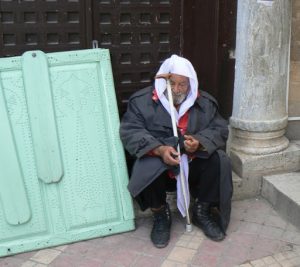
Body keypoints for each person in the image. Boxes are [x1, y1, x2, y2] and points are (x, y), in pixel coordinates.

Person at [120, 55, 232, 248]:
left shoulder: (205, 102)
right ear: (164, 81)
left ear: (191, 83)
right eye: (172, 83)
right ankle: (160, 214)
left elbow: (219, 129)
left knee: (219, 159)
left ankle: (202, 210)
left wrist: (199, 142)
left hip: (192, 163)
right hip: (162, 164)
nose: (177, 90)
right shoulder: (141, 101)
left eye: (183, 84)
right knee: (146, 166)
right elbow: (131, 131)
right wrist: (159, 149)